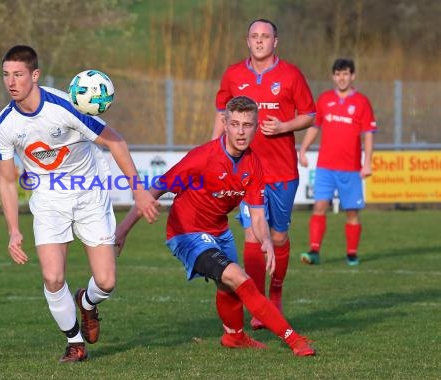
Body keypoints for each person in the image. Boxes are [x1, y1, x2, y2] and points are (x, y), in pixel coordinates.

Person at [0, 45, 160, 363]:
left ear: (35, 75)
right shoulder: (5, 124)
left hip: (90, 197)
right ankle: (75, 342)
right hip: (48, 201)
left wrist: (138, 191)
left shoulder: (65, 107)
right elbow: (6, 180)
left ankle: (86, 302)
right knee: (53, 277)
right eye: (6, 75)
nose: (11, 82)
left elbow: (116, 141)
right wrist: (13, 229)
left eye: (18, 74)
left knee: (107, 282)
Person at [116, 96, 316, 356]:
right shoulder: (202, 158)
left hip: (219, 232)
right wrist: (123, 230)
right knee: (238, 277)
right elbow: (157, 187)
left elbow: (257, 215)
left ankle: (234, 337)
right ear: (225, 123)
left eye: (247, 125)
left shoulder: (253, 163)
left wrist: (266, 240)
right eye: (235, 124)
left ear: (256, 127)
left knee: (228, 285)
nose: (241, 131)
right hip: (186, 232)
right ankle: (294, 340)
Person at [212, 18, 316, 330]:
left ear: (275, 41)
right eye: (254, 36)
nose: (259, 41)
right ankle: (258, 304)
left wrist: (284, 127)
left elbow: (310, 115)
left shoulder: (290, 74)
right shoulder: (233, 75)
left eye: (265, 36)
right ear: (247, 41)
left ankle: (277, 290)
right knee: (254, 235)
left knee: (279, 236)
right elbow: (221, 116)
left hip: (282, 170)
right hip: (246, 172)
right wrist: (212, 152)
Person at [299, 58, 377, 266]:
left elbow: (368, 134)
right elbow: (314, 127)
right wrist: (303, 149)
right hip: (326, 167)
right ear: (333, 76)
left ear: (352, 76)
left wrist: (367, 162)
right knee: (319, 206)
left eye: (345, 74)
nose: (342, 78)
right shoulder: (324, 100)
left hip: (351, 168)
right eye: (338, 74)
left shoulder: (362, 102)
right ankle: (314, 250)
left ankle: (352, 253)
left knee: (351, 211)